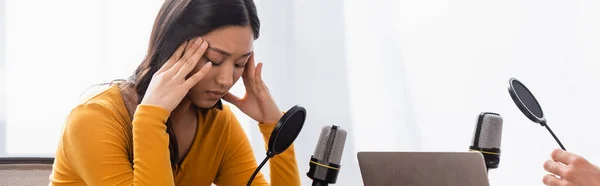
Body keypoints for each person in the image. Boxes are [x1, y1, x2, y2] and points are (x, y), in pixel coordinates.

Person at [49, 0, 301, 185]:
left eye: (238, 64)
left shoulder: (217, 124)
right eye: (213, 59)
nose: (226, 80)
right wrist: (151, 119)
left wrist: (275, 128)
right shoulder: (94, 120)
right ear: (173, 48)